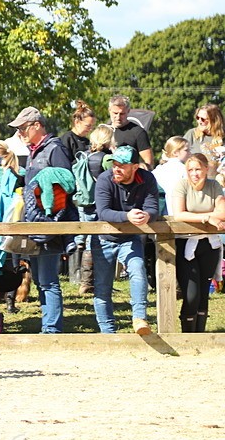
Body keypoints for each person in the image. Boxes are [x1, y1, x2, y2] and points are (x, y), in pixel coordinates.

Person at [9, 106, 76, 334]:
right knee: (39, 279)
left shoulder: (54, 149)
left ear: (37, 125)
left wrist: (52, 219)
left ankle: (52, 330)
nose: (20, 133)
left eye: (23, 128)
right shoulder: (34, 151)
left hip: (49, 225)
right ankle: (48, 327)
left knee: (48, 280)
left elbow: (67, 185)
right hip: (34, 224)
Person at [94, 145, 160, 335]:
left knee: (138, 269)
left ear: (135, 167)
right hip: (103, 238)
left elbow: (153, 207)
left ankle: (139, 318)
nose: (116, 169)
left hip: (130, 237)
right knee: (102, 287)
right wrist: (127, 216)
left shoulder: (147, 179)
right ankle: (107, 333)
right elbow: (103, 212)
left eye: (122, 165)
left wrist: (147, 215)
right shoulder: (105, 179)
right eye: (114, 164)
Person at [167, 153, 225, 333]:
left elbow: (222, 212)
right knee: (191, 294)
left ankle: (200, 334)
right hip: (186, 243)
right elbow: (179, 214)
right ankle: (187, 333)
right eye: (190, 170)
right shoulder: (182, 186)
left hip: (209, 244)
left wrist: (198, 217)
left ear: (206, 169)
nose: (194, 173)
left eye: (198, 169)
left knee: (204, 293)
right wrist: (207, 217)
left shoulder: (214, 186)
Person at [108, 95, 153, 168]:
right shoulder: (103, 131)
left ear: (128, 111)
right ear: (109, 110)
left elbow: (148, 162)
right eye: (115, 113)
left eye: (122, 114)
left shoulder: (138, 132)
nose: (118, 117)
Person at [184, 104, 225, 178]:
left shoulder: (223, 138)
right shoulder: (192, 134)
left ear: (214, 120)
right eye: (197, 118)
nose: (199, 121)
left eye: (203, 119)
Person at [152, 136, 190, 211]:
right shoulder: (184, 169)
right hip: (179, 208)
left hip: (161, 211)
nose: (190, 153)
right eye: (186, 150)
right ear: (175, 152)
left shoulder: (158, 169)